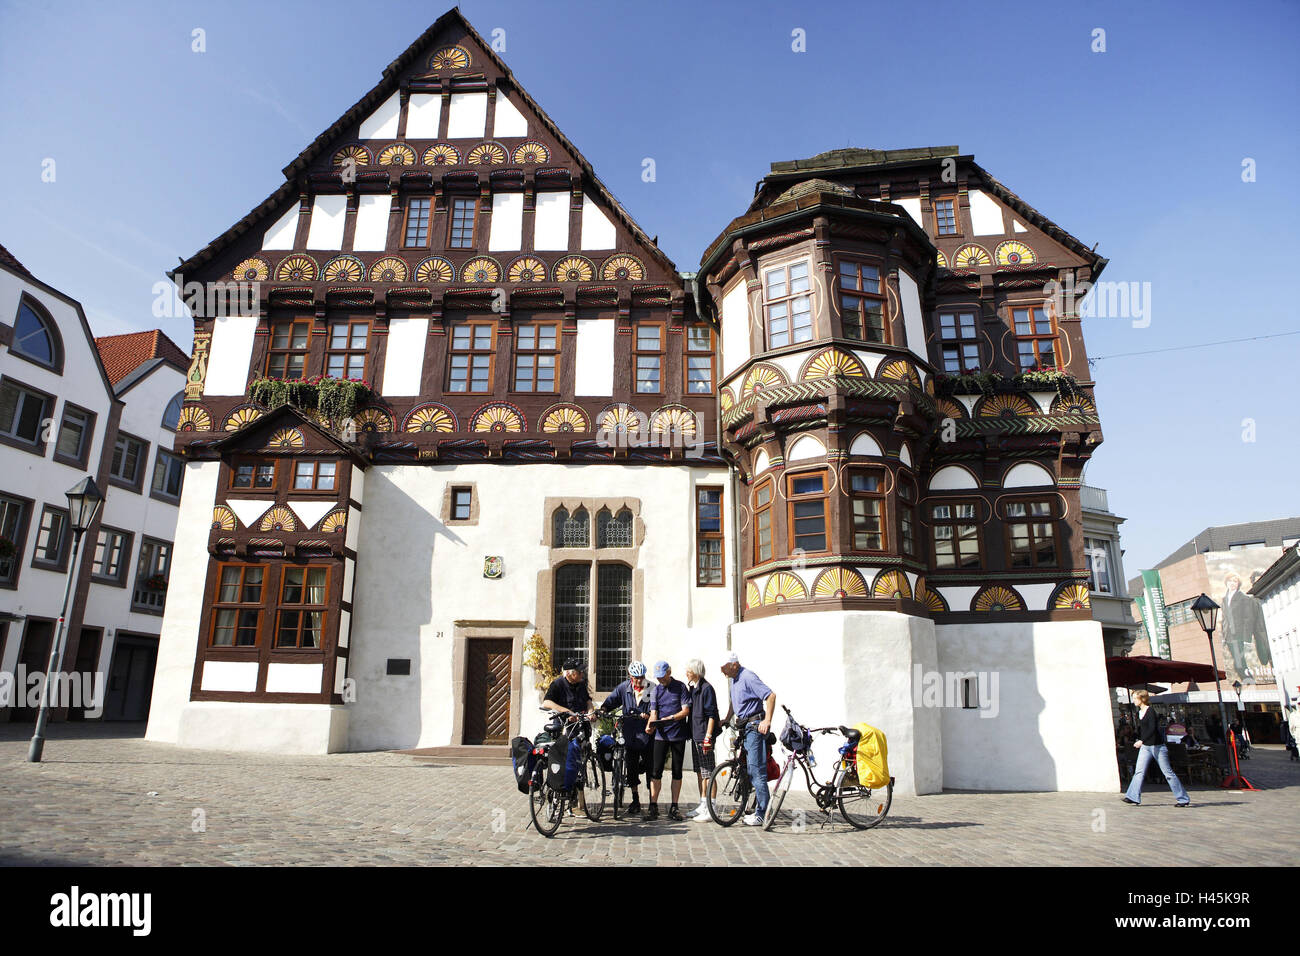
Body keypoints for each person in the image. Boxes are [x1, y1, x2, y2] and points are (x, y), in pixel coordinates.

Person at [720, 652, 776, 827]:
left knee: (756, 770)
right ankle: (758, 807)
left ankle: (763, 813)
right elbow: (734, 701)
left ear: (734, 665)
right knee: (748, 768)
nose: (723, 672)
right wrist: (727, 717)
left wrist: (767, 721)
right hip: (744, 727)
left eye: (725, 668)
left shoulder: (748, 677)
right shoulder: (734, 680)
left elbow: (770, 696)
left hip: (754, 727)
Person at [599, 660, 654, 815]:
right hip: (630, 733)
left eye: (641, 677)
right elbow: (612, 700)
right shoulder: (624, 688)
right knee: (631, 767)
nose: (639, 680)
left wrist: (648, 714)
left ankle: (652, 801)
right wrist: (603, 709)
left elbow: (656, 707)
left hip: (647, 734)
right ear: (630, 675)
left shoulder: (651, 688)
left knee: (651, 768)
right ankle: (635, 799)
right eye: (636, 677)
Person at [1122, 690, 1191, 808]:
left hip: (1157, 746)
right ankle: (1132, 796)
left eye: (1135, 698)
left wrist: (1141, 741)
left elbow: (1152, 729)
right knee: (1139, 771)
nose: (1133, 700)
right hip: (1146, 747)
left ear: (1142, 699)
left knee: (1167, 773)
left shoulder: (1151, 711)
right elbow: (1143, 730)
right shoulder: (1139, 712)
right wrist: (1140, 740)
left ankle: (1183, 798)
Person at [645, 661, 691, 821]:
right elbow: (653, 712)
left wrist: (671, 718)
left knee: (677, 772)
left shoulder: (681, 687)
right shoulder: (656, 690)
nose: (660, 680)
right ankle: (653, 806)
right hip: (661, 736)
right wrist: (650, 725)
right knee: (656, 772)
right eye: (658, 677)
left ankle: (674, 806)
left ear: (669, 672)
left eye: (663, 676)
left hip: (678, 735)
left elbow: (685, 711)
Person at [684, 658, 722, 821]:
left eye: (689, 671)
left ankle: (711, 807)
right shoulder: (694, 688)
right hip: (695, 735)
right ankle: (703, 804)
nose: (687, 673)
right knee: (700, 772)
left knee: (709, 773)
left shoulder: (707, 689)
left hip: (703, 736)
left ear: (697, 672)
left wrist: (708, 737)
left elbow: (712, 715)